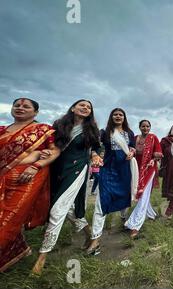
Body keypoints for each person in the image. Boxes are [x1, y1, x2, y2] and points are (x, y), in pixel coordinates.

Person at [32, 99, 102, 274]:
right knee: (67, 209)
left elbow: (96, 147)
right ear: (73, 108)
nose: (86, 108)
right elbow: (50, 144)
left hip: (78, 168)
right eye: (82, 105)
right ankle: (92, 236)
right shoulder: (59, 125)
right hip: (57, 169)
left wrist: (95, 155)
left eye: (89, 107)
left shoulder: (91, 129)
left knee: (57, 210)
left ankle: (41, 260)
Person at [0, 98, 58, 272]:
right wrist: (34, 155)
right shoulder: (2, 130)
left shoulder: (43, 130)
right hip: (3, 178)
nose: (20, 108)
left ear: (36, 112)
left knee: (9, 220)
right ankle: (16, 252)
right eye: (17, 105)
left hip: (27, 180)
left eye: (26, 106)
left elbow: (55, 151)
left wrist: (35, 164)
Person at [85, 108, 138, 254]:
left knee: (124, 196)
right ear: (111, 117)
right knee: (102, 201)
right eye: (115, 114)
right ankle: (95, 239)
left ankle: (124, 220)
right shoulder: (104, 132)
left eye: (121, 114)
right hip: (108, 169)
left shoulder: (130, 133)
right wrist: (95, 155)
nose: (118, 116)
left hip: (125, 170)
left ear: (124, 117)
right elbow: (95, 146)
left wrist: (132, 152)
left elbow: (133, 147)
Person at [125, 126, 162, 239]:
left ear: (150, 127)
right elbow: (130, 151)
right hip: (136, 169)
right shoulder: (135, 138)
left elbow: (159, 153)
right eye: (143, 126)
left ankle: (134, 224)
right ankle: (151, 214)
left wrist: (153, 160)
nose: (145, 128)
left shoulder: (153, 137)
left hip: (149, 169)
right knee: (141, 194)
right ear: (140, 127)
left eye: (147, 126)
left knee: (143, 194)